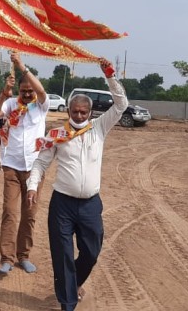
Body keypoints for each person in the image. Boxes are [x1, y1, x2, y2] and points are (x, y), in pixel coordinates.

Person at [26, 58, 127, 311]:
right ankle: (67, 303)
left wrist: (110, 75)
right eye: (75, 112)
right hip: (62, 204)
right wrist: (31, 186)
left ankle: (74, 283)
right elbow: (40, 163)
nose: (79, 116)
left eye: (84, 112)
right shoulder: (57, 135)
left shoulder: (99, 128)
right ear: (68, 112)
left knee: (91, 252)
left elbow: (122, 104)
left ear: (90, 113)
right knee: (62, 256)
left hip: (91, 204)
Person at [0, 51, 49, 275]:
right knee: (9, 212)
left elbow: (41, 90)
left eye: (29, 91)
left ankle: (24, 255)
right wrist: (4, 95)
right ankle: (7, 258)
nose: (26, 94)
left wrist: (22, 66)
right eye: (23, 91)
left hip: (35, 169)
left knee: (30, 214)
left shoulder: (41, 105)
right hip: (12, 167)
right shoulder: (12, 103)